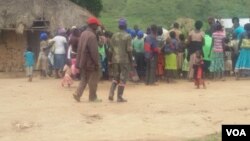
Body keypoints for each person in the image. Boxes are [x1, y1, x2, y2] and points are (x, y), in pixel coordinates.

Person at [73, 17, 102, 102]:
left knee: (84, 79)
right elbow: (94, 52)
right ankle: (92, 97)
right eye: (96, 25)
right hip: (90, 63)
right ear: (93, 25)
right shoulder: (92, 36)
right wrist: (97, 63)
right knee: (93, 80)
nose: (97, 27)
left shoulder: (83, 34)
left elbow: (79, 48)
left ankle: (77, 94)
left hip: (82, 61)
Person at [108, 18, 133, 102]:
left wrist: (109, 60)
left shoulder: (114, 36)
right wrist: (131, 60)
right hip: (124, 60)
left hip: (115, 59)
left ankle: (111, 93)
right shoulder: (128, 36)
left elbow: (110, 50)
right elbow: (129, 50)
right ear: (126, 26)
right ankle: (119, 97)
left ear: (119, 26)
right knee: (122, 78)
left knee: (115, 77)